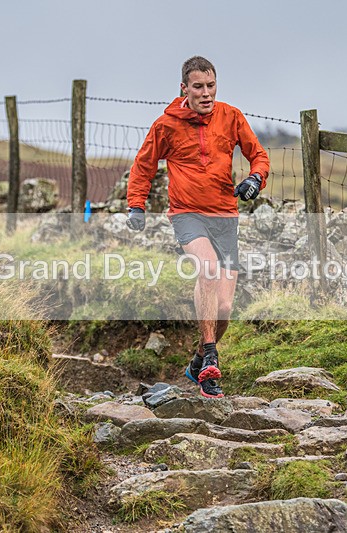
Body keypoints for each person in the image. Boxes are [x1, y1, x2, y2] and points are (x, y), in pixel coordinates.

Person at [126, 56, 270, 398]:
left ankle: (196, 362)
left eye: (211, 86)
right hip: (187, 214)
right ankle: (210, 361)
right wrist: (136, 204)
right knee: (206, 269)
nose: (206, 94)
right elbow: (143, 166)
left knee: (224, 309)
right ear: (184, 89)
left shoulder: (231, 116)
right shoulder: (166, 125)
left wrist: (255, 178)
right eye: (198, 87)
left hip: (225, 217)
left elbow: (259, 155)